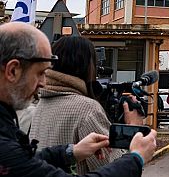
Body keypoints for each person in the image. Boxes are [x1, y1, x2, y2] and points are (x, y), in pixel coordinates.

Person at [0, 21, 157, 176]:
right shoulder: (87, 109)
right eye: (40, 73)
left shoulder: (12, 119)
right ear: (13, 70)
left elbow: (25, 162)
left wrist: (72, 152)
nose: (43, 83)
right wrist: (135, 157)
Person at [30, 36, 144, 173]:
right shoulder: (86, 109)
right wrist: (132, 129)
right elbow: (112, 167)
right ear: (88, 66)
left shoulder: (37, 104)